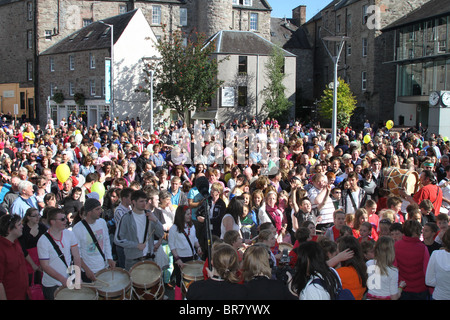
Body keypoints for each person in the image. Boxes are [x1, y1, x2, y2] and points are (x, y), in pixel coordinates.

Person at [37, 207, 82, 300]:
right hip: (52, 285)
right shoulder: (43, 241)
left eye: (65, 218)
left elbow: (76, 256)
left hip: (68, 279)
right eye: (62, 219)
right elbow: (45, 266)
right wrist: (62, 279)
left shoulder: (69, 234)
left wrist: (78, 276)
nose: (66, 221)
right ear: (52, 221)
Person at [115, 190, 164, 270]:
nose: (144, 204)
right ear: (133, 202)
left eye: (145, 201)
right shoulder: (126, 218)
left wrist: (156, 221)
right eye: (141, 201)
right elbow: (118, 239)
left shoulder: (150, 215)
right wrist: (136, 245)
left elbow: (161, 233)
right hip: (133, 261)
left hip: (149, 259)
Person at [72, 198, 115, 283]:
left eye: (100, 209)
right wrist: (86, 270)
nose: (100, 211)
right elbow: (77, 254)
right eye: (97, 209)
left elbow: (106, 242)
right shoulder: (77, 229)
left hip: (103, 267)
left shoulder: (102, 222)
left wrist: (110, 258)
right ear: (89, 212)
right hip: (89, 270)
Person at [168, 205, 202, 293]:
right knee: (180, 283)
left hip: (191, 257)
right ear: (181, 215)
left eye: (190, 214)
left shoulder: (192, 226)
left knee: (193, 282)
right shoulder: (174, 229)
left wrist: (198, 247)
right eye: (187, 214)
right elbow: (172, 245)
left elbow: (194, 239)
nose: (190, 216)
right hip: (181, 259)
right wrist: (177, 259)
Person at [394, 220, 430, 300]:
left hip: (402, 286)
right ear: (417, 232)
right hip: (420, 288)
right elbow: (426, 269)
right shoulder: (423, 248)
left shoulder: (396, 245)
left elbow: (394, 267)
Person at [0, 214, 30, 300]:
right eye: (19, 224)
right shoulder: (1, 250)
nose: (22, 226)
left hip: (24, 293)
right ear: (9, 229)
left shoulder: (16, 242)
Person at [18, 208, 47, 286]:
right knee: (30, 282)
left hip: (41, 257)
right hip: (28, 259)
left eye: (38, 215)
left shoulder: (42, 227)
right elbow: (22, 249)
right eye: (34, 216)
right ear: (28, 217)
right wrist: (33, 264)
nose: (38, 217)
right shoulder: (23, 229)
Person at [336, 236, 368, 300]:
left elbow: (321, 272)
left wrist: (336, 259)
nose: (336, 251)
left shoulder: (340, 272)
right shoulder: (362, 268)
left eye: (338, 248)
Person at [425, 229, 450, 300]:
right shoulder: (436, 254)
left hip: (439, 295)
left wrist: (441, 283)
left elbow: (429, 281)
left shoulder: (436, 254)